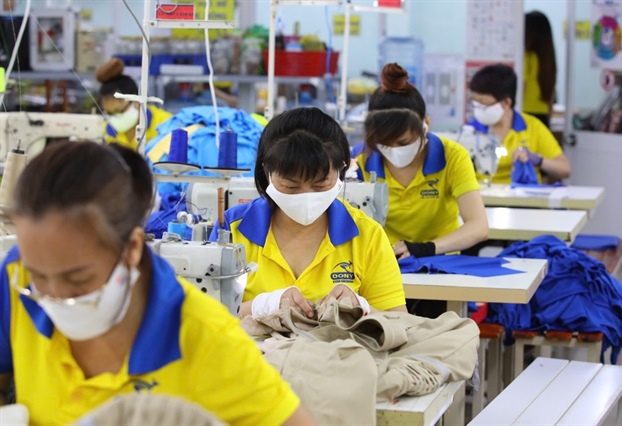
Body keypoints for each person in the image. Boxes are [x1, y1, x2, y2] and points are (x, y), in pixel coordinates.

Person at [0, 142, 314, 426]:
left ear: (133, 248)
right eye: (38, 278)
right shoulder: (18, 273)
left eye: (78, 279)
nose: (53, 296)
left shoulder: (205, 339)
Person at [211, 107, 407, 318]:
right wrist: (260, 307)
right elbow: (203, 314)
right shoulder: (232, 229)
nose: (306, 197)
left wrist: (362, 308)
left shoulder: (367, 235)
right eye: (290, 186)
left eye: (320, 185)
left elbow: (400, 322)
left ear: (341, 170)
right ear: (266, 172)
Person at [352, 63, 489, 261]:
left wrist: (424, 249)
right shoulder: (359, 160)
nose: (394, 149)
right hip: (382, 262)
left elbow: (478, 227)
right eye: (384, 143)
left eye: (403, 142)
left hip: (440, 261)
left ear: (426, 124)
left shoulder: (452, 156)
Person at [468, 63, 571, 184]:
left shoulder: (532, 127)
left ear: (506, 103)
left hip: (522, 194)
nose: (477, 108)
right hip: (482, 194)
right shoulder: (470, 131)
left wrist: (537, 160)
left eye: (483, 102)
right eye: (475, 102)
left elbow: (565, 169)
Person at [96, 58, 172, 151]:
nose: (114, 118)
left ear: (137, 102)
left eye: (119, 111)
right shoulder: (107, 132)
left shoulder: (166, 124)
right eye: (109, 113)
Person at [523, 11, 557, 128]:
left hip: (525, 115)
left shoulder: (527, 57)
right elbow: (551, 97)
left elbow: (521, 88)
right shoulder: (547, 60)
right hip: (543, 118)